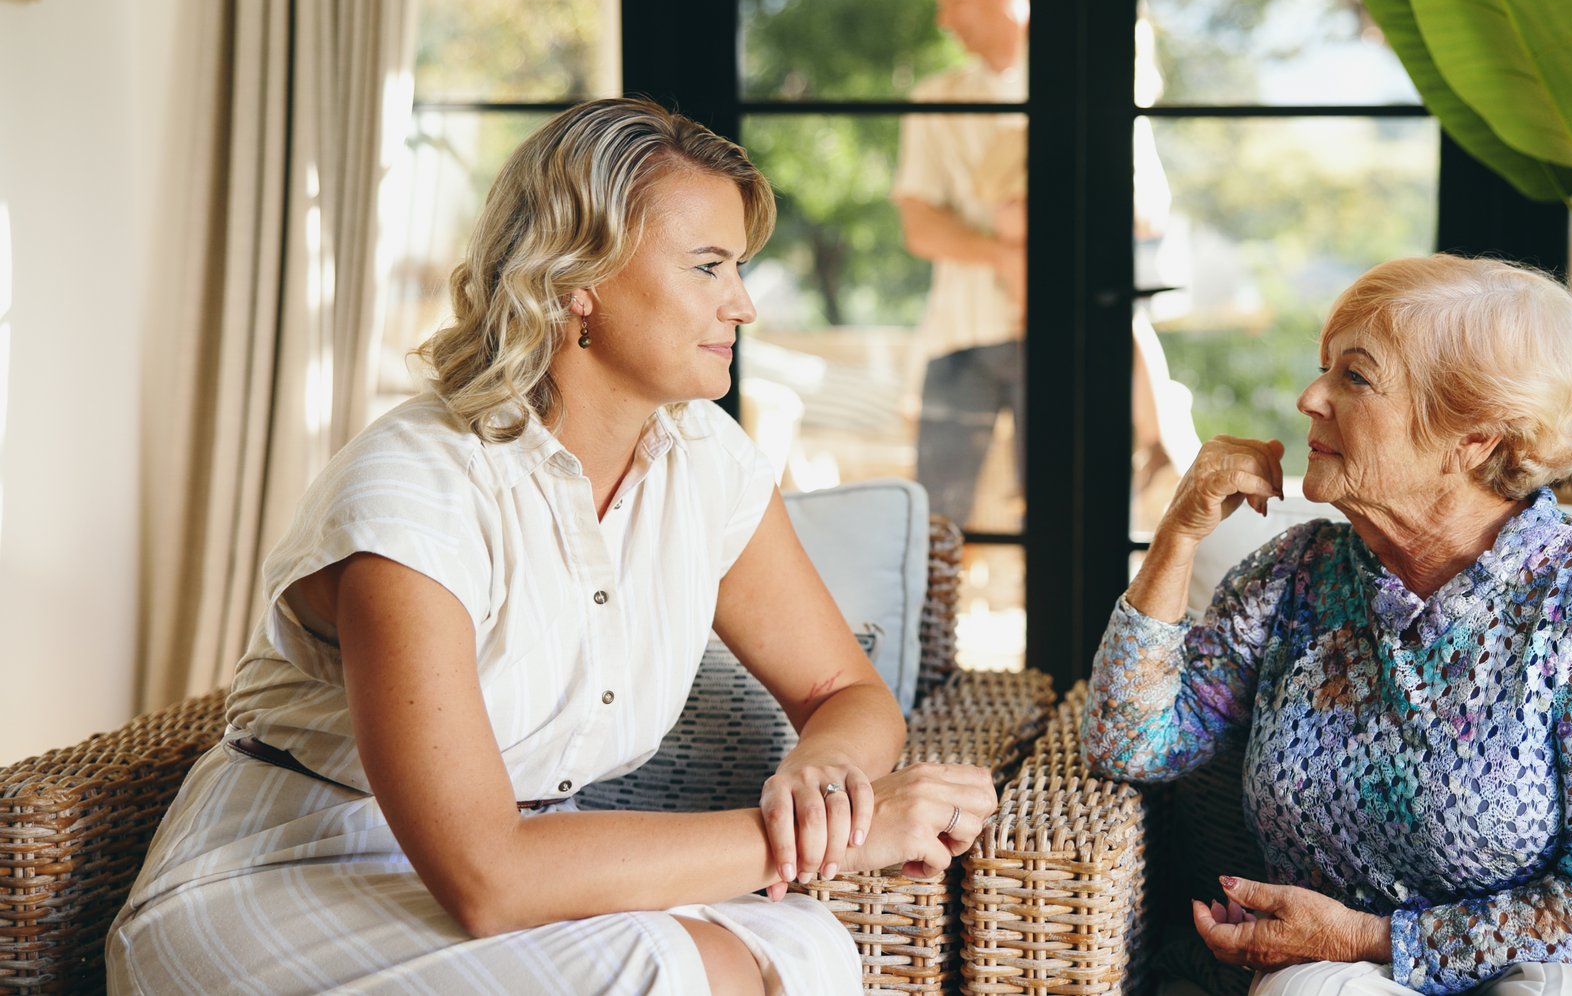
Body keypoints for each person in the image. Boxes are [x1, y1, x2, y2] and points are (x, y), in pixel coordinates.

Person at [106, 97, 998, 995]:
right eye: (708, 267)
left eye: (740, 267)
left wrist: (826, 780)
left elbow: (844, 692)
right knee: (670, 974)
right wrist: (848, 833)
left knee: (806, 951)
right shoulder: (416, 497)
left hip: (533, 867)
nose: (745, 303)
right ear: (582, 278)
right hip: (291, 874)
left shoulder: (705, 462)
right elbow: (487, 876)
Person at [1081, 255, 1572, 995]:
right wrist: (1179, 534)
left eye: (1355, 377)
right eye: (1323, 368)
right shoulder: (1292, 577)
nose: (1310, 398)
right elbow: (1132, 747)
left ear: (1472, 437)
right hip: (1339, 957)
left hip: (1570, 947)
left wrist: (1373, 938)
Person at [893, 0, 1029, 526]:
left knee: (1059, 512)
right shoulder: (935, 98)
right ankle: (933, 615)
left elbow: (1143, 211)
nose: (944, 21)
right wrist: (1005, 256)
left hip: (1060, 335)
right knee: (937, 514)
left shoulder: (1091, 83)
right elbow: (918, 225)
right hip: (959, 335)